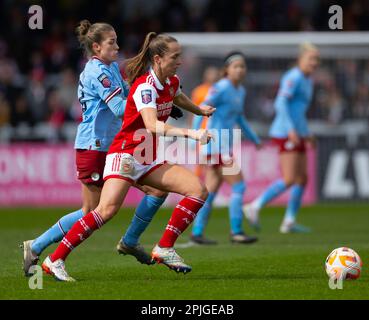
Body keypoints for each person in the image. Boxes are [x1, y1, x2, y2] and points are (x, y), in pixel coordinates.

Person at [41, 32, 216, 281]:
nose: (179, 60)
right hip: (125, 153)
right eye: (175, 56)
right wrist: (192, 133)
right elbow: (153, 125)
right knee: (105, 210)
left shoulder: (172, 81)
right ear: (157, 58)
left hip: (148, 157)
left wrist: (199, 109)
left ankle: (164, 246)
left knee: (198, 190)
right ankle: (54, 259)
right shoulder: (144, 87)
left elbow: (178, 96)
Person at [21, 20, 170, 276]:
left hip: (114, 146)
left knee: (156, 189)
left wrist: (157, 98)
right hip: (95, 147)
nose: (117, 46)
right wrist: (152, 109)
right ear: (96, 46)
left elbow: (131, 94)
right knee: (92, 212)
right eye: (112, 42)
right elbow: (121, 109)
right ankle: (37, 248)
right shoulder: (96, 73)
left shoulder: (110, 68)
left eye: (116, 40)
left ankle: (131, 241)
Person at [242, 42, 319, 234]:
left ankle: (289, 221)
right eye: (311, 58)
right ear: (300, 59)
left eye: (317, 59)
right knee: (290, 178)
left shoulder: (308, 79)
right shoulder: (293, 77)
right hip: (285, 132)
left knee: (302, 179)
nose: (314, 62)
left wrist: (306, 132)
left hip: (297, 132)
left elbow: (298, 111)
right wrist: (292, 129)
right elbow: (281, 103)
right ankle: (255, 205)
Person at [190, 52, 261, 245]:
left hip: (221, 146)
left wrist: (254, 138)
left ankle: (197, 232)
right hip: (216, 146)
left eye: (243, 66)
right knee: (239, 185)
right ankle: (236, 231)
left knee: (210, 191)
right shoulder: (221, 87)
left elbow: (239, 118)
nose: (240, 70)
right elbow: (201, 108)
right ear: (226, 70)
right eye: (236, 66)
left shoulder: (240, 91)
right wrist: (194, 134)